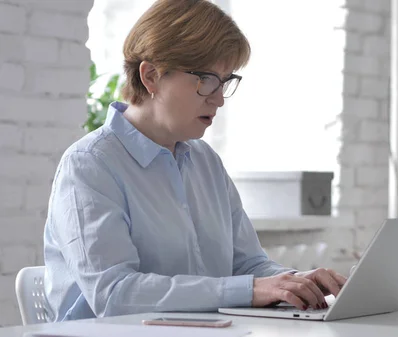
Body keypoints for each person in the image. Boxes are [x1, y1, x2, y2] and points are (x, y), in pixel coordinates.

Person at [43, 0, 346, 322]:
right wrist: (249, 289)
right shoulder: (90, 165)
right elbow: (115, 294)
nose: (218, 98)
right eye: (206, 80)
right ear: (151, 76)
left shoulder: (205, 162)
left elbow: (248, 266)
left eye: (225, 81)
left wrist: (294, 282)